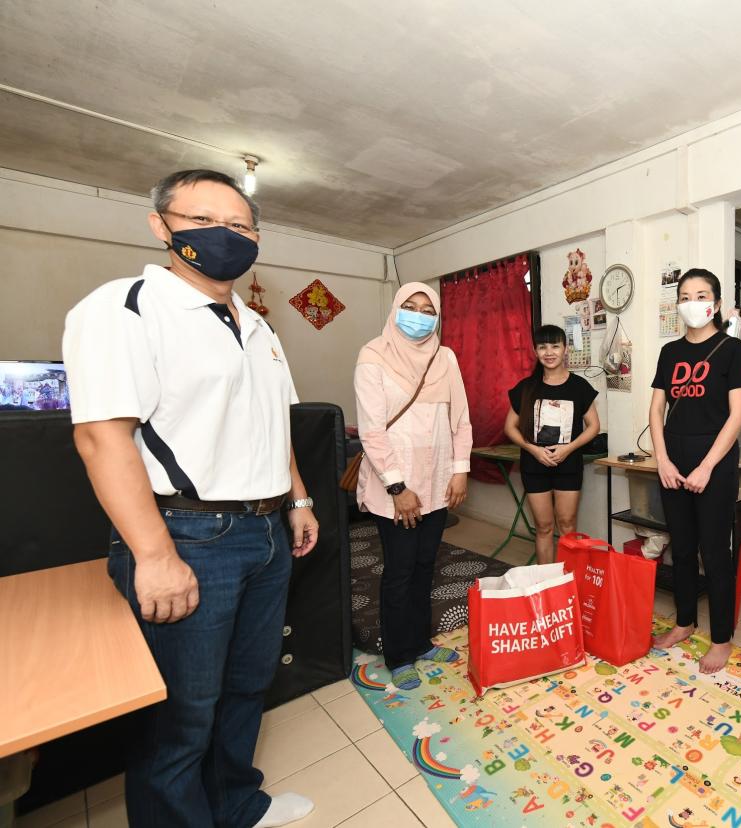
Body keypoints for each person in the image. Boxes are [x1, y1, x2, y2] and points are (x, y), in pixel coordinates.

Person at [63, 169, 319, 828]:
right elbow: (101, 438)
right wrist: (154, 555)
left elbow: (273, 424)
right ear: (162, 227)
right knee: (180, 715)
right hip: (187, 537)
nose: (224, 236)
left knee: (246, 688)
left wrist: (299, 500)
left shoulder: (260, 327)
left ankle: (237, 804)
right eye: (204, 220)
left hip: (265, 534)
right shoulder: (124, 307)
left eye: (239, 226)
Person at [354, 282, 471, 691]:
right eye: (410, 306)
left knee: (426, 566)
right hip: (398, 489)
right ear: (395, 309)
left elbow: (460, 419)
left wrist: (460, 471)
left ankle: (420, 643)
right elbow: (372, 431)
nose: (419, 315)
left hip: (438, 481)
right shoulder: (373, 356)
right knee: (400, 571)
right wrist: (397, 487)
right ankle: (399, 654)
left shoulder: (445, 357)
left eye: (427, 309)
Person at [648, 268, 741, 674]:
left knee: (715, 553)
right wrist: (663, 459)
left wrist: (707, 466)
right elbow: (657, 410)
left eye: (702, 294)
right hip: (673, 462)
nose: (694, 302)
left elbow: (737, 415)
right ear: (679, 305)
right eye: (686, 296)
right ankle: (685, 623)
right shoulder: (670, 352)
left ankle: (721, 639)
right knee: (682, 548)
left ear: (717, 303)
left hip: (715, 465)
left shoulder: (731, 349)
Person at [503, 325, 600, 564]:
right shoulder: (526, 388)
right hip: (535, 466)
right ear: (535, 351)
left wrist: (568, 448)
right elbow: (509, 428)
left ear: (565, 349)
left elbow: (594, 427)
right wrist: (534, 449)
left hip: (568, 465)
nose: (549, 352)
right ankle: (546, 583)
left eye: (555, 346)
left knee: (567, 525)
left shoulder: (579, 387)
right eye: (542, 346)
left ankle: (570, 581)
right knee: (544, 527)